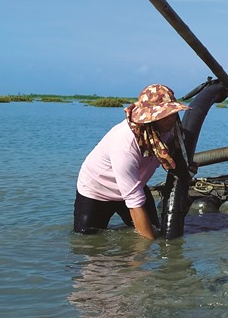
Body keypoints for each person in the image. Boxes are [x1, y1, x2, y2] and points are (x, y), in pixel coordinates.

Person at [73, 84, 190, 240]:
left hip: (135, 185)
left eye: (172, 112)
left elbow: (175, 154)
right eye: (164, 114)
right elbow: (134, 202)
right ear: (150, 118)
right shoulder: (125, 145)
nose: (172, 118)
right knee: (88, 242)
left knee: (156, 229)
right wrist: (148, 252)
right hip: (97, 191)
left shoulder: (168, 129)